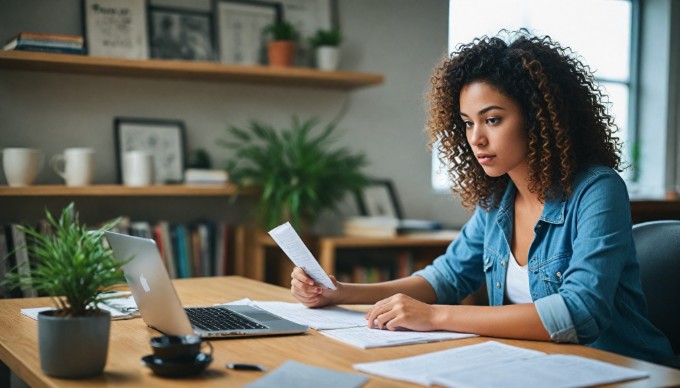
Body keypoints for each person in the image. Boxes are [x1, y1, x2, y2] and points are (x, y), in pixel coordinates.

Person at [290, 31, 674, 363]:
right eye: (468, 123)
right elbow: (446, 277)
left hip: (624, 369)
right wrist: (341, 292)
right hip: (537, 367)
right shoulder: (498, 201)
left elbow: (580, 313)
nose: (476, 138)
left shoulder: (597, 189)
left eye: (492, 119)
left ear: (538, 118)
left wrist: (436, 317)